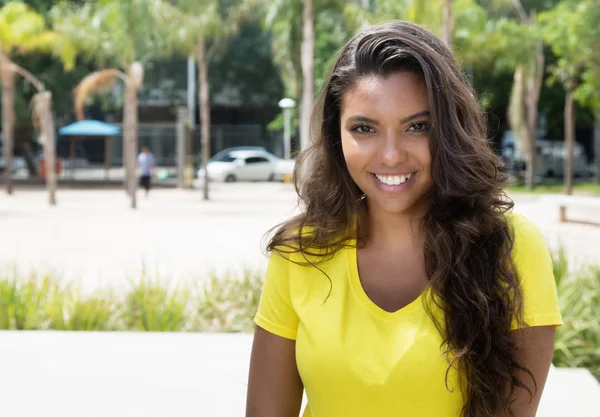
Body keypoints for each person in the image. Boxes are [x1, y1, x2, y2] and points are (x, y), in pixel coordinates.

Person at [246, 21, 562, 417]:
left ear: (449, 130)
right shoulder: (301, 251)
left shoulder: (509, 248)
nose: (391, 155)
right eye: (364, 128)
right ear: (335, 135)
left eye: (417, 127)